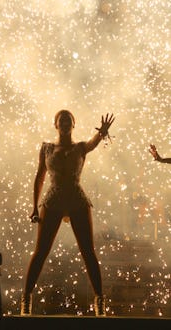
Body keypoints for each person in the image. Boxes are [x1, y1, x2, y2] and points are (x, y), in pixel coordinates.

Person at [21, 110, 115, 316]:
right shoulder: (46, 148)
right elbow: (39, 177)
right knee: (40, 252)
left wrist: (102, 133)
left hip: (76, 200)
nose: (64, 123)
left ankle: (100, 303)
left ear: (74, 124)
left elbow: (92, 143)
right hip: (53, 200)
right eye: (61, 120)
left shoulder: (80, 147)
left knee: (88, 252)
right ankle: (26, 300)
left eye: (68, 120)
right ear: (55, 124)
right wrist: (34, 206)